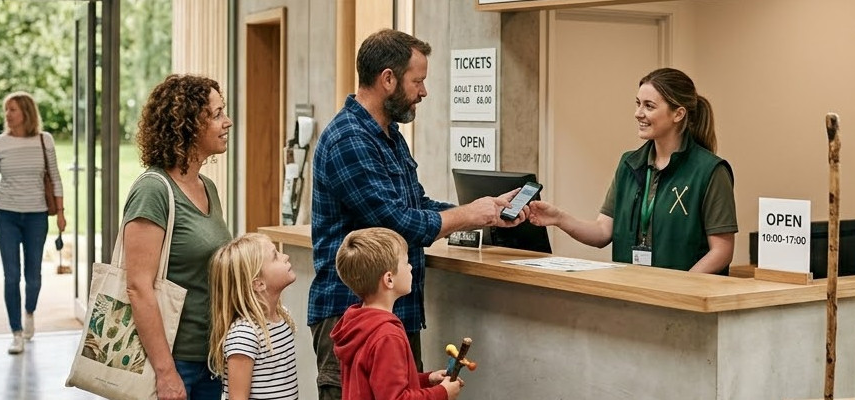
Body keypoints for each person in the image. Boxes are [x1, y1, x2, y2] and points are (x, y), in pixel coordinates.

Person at [308, 28, 518, 400]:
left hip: (396, 314)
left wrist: (486, 211)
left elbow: (415, 204)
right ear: (387, 79)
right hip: (349, 310)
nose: (424, 92)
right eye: (417, 81)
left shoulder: (389, 135)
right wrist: (469, 215)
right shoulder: (349, 139)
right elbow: (397, 223)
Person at [525, 67, 737, 274]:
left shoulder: (710, 171)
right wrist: (559, 218)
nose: (638, 113)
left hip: (684, 300)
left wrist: (681, 288)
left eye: (649, 106)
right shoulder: (629, 164)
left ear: (678, 114)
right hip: (633, 294)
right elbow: (602, 232)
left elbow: (721, 251)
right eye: (637, 104)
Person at [123, 74, 233, 400]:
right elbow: (138, 286)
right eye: (216, 114)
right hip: (175, 361)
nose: (227, 122)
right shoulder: (153, 190)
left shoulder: (207, 187)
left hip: (211, 357)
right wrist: (165, 371)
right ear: (187, 125)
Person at [0, 91, 66, 354]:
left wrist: (60, 212)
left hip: (37, 215)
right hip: (6, 215)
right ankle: (15, 331)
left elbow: (56, 178)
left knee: (33, 275)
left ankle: (29, 311)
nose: (7, 114)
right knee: (11, 275)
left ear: (26, 112)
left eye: (12, 109)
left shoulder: (44, 140)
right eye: (6, 109)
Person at [330, 228, 462, 400]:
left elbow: (381, 384)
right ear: (389, 279)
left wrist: (426, 380)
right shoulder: (387, 336)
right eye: (406, 262)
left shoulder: (356, 324)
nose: (411, 267)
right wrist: (442, 393)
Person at [208, 233, 298, 400]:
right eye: (275, 256)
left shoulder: (282, 318)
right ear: (258, 283)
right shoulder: (245, 334)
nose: (285, 256)